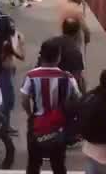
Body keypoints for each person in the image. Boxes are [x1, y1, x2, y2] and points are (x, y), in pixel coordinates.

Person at [20, 38, 81, 174]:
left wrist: (30, 114)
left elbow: (24, 99)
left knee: (34, 164)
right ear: (58, 57)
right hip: (59, 126)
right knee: (58, 164)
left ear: (41, 56)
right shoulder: (68, 78)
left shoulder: (31, 76)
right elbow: (78, 99)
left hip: (36, 124)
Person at [0, 16, 25, 134]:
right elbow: (21, 56)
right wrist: (21, 42)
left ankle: (5, 126)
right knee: (8, 102)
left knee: (6, 100)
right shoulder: (6, 43)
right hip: (2, 72)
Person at [54, 18, 87, 93]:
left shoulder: (50, 43)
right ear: (77, 33)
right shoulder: (75, 52)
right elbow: (77, 77)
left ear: (62, 28)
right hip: (65, 91)